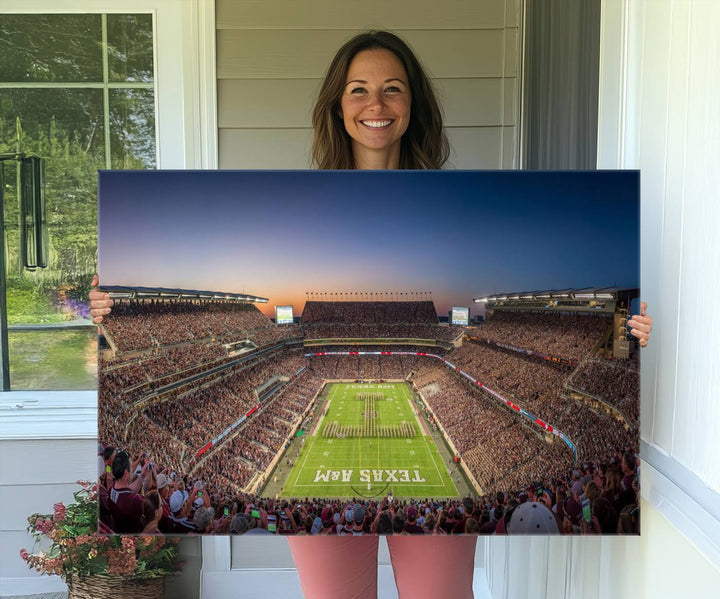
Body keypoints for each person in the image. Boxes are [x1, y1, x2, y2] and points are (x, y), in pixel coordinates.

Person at [89, 29, 653, 599]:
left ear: (413, 105)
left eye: (393, 89)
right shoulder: (298, 205)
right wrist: (113, 307)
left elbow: (607, 323)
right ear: (338, 104)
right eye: (358, 89)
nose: (375, 105)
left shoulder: (453, 203)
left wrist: (632, 332)